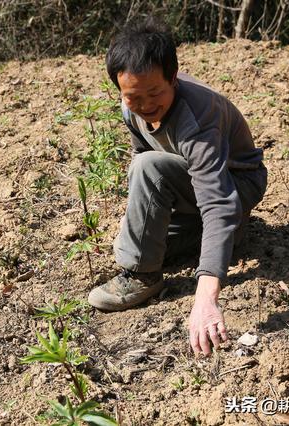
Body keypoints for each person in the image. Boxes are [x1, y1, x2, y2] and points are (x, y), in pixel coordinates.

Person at [87, 17, 267, 356]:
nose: (145, 105)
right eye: (132, 97)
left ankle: (142, 277)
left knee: (147, 172)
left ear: (173, 77)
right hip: (195, 185)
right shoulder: (133, 107)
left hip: (237, 183)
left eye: (155, 93)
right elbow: (149, 161)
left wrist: (205, 299)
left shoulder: (196, 118)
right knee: (131, 238)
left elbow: (215, 201)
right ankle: (229, 235)